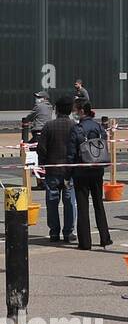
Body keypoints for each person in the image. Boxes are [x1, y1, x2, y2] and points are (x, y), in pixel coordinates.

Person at [69, 104, 112, 250]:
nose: (74, 113)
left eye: (76, 111)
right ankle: (105, 238)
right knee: (98, 203)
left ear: (81, 111)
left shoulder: (77, 129)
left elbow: (71, 153)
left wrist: (69, 172)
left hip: (81, 170)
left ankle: (85, 242)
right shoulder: (99, 127)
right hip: (97, 169)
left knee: (82, 206)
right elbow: (104, 142)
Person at [37, 95, 78, 242]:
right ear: (70, 110)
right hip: (69, 171)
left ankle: (54, 232)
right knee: (69, 202)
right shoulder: (74, 125)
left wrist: (43, 163)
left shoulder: (49, 126)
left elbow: (41, 148)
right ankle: (68, 232)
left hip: (52, 170)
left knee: (52, 202)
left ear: (57, 109)